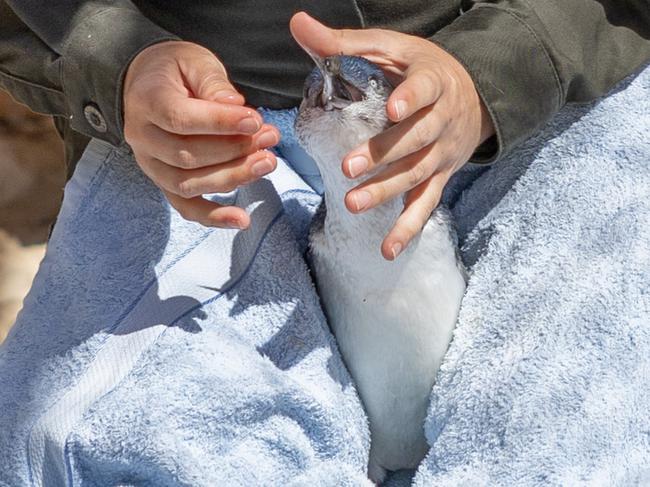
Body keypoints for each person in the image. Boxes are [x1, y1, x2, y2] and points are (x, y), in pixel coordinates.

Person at [0, 1, 649, 484]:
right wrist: (120, 67)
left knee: (590, 434)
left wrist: (499, 67)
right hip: (201, 151)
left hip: (550, 103)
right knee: (112, 445)